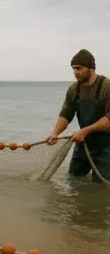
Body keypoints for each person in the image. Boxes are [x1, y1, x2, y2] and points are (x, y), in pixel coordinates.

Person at [46, 49, 110, 183]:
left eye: (79, 68)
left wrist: (85, 130)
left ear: (91, 68)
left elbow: (109, 119)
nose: (75, 72)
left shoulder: (106, 87)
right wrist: (55, 133)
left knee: (101, 186)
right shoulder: (74, 89)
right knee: (74, 180)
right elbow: (66, 115)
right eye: (73, 69)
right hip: (83, 142)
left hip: (106, 145)